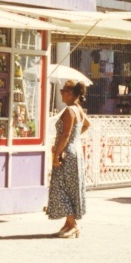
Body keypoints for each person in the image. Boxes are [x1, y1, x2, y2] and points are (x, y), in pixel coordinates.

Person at [47, 80, 92, 238]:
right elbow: (87, 124)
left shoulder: (69, 111)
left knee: (60, 188)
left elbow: (65, 134)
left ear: (69, 94)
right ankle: (69, 223)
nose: (61, 94)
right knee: (70, 188)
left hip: (67, 153)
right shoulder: (78, 109)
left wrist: (57, 155)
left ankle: (73, 224)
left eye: (62, 91)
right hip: (76, 152)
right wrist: (75, 139)